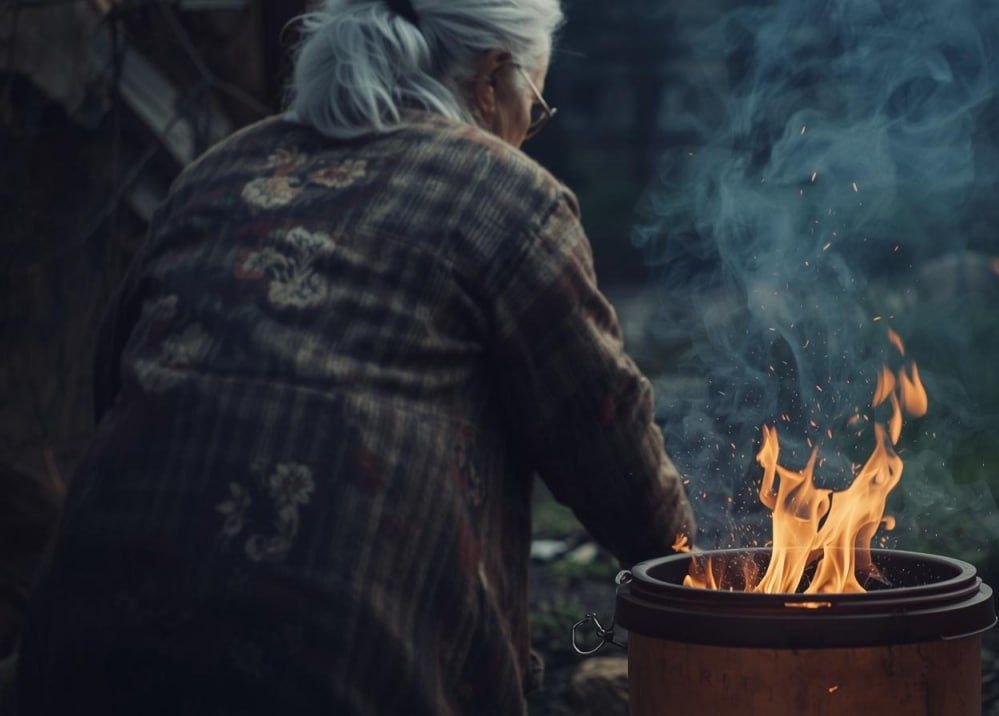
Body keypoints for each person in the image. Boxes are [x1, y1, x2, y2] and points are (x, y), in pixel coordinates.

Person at [16, 0, 694, 713]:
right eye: (536, 107)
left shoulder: (216, 172)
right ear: (492, 78)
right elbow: (605, 433)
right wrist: (702, 580)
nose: (529, 131)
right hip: (338, 675)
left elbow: (112, 385)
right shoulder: (504, 193)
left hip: (79, 659)